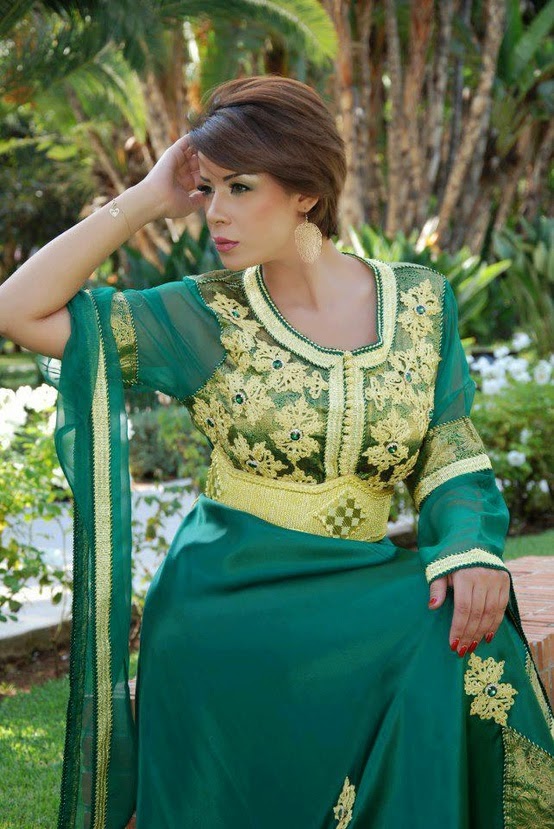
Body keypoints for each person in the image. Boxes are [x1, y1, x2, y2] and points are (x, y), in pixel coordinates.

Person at [0, 75, 552, 829]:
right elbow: (17, 310)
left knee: (463, 640)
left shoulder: (422, 303)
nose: (215, 213)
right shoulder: (204, 315)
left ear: (305, 194)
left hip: (358, 579)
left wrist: (469, 546)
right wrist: (147, 198)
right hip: (226, 599)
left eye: (240, 187)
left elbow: (449, 449)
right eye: (209, 189)